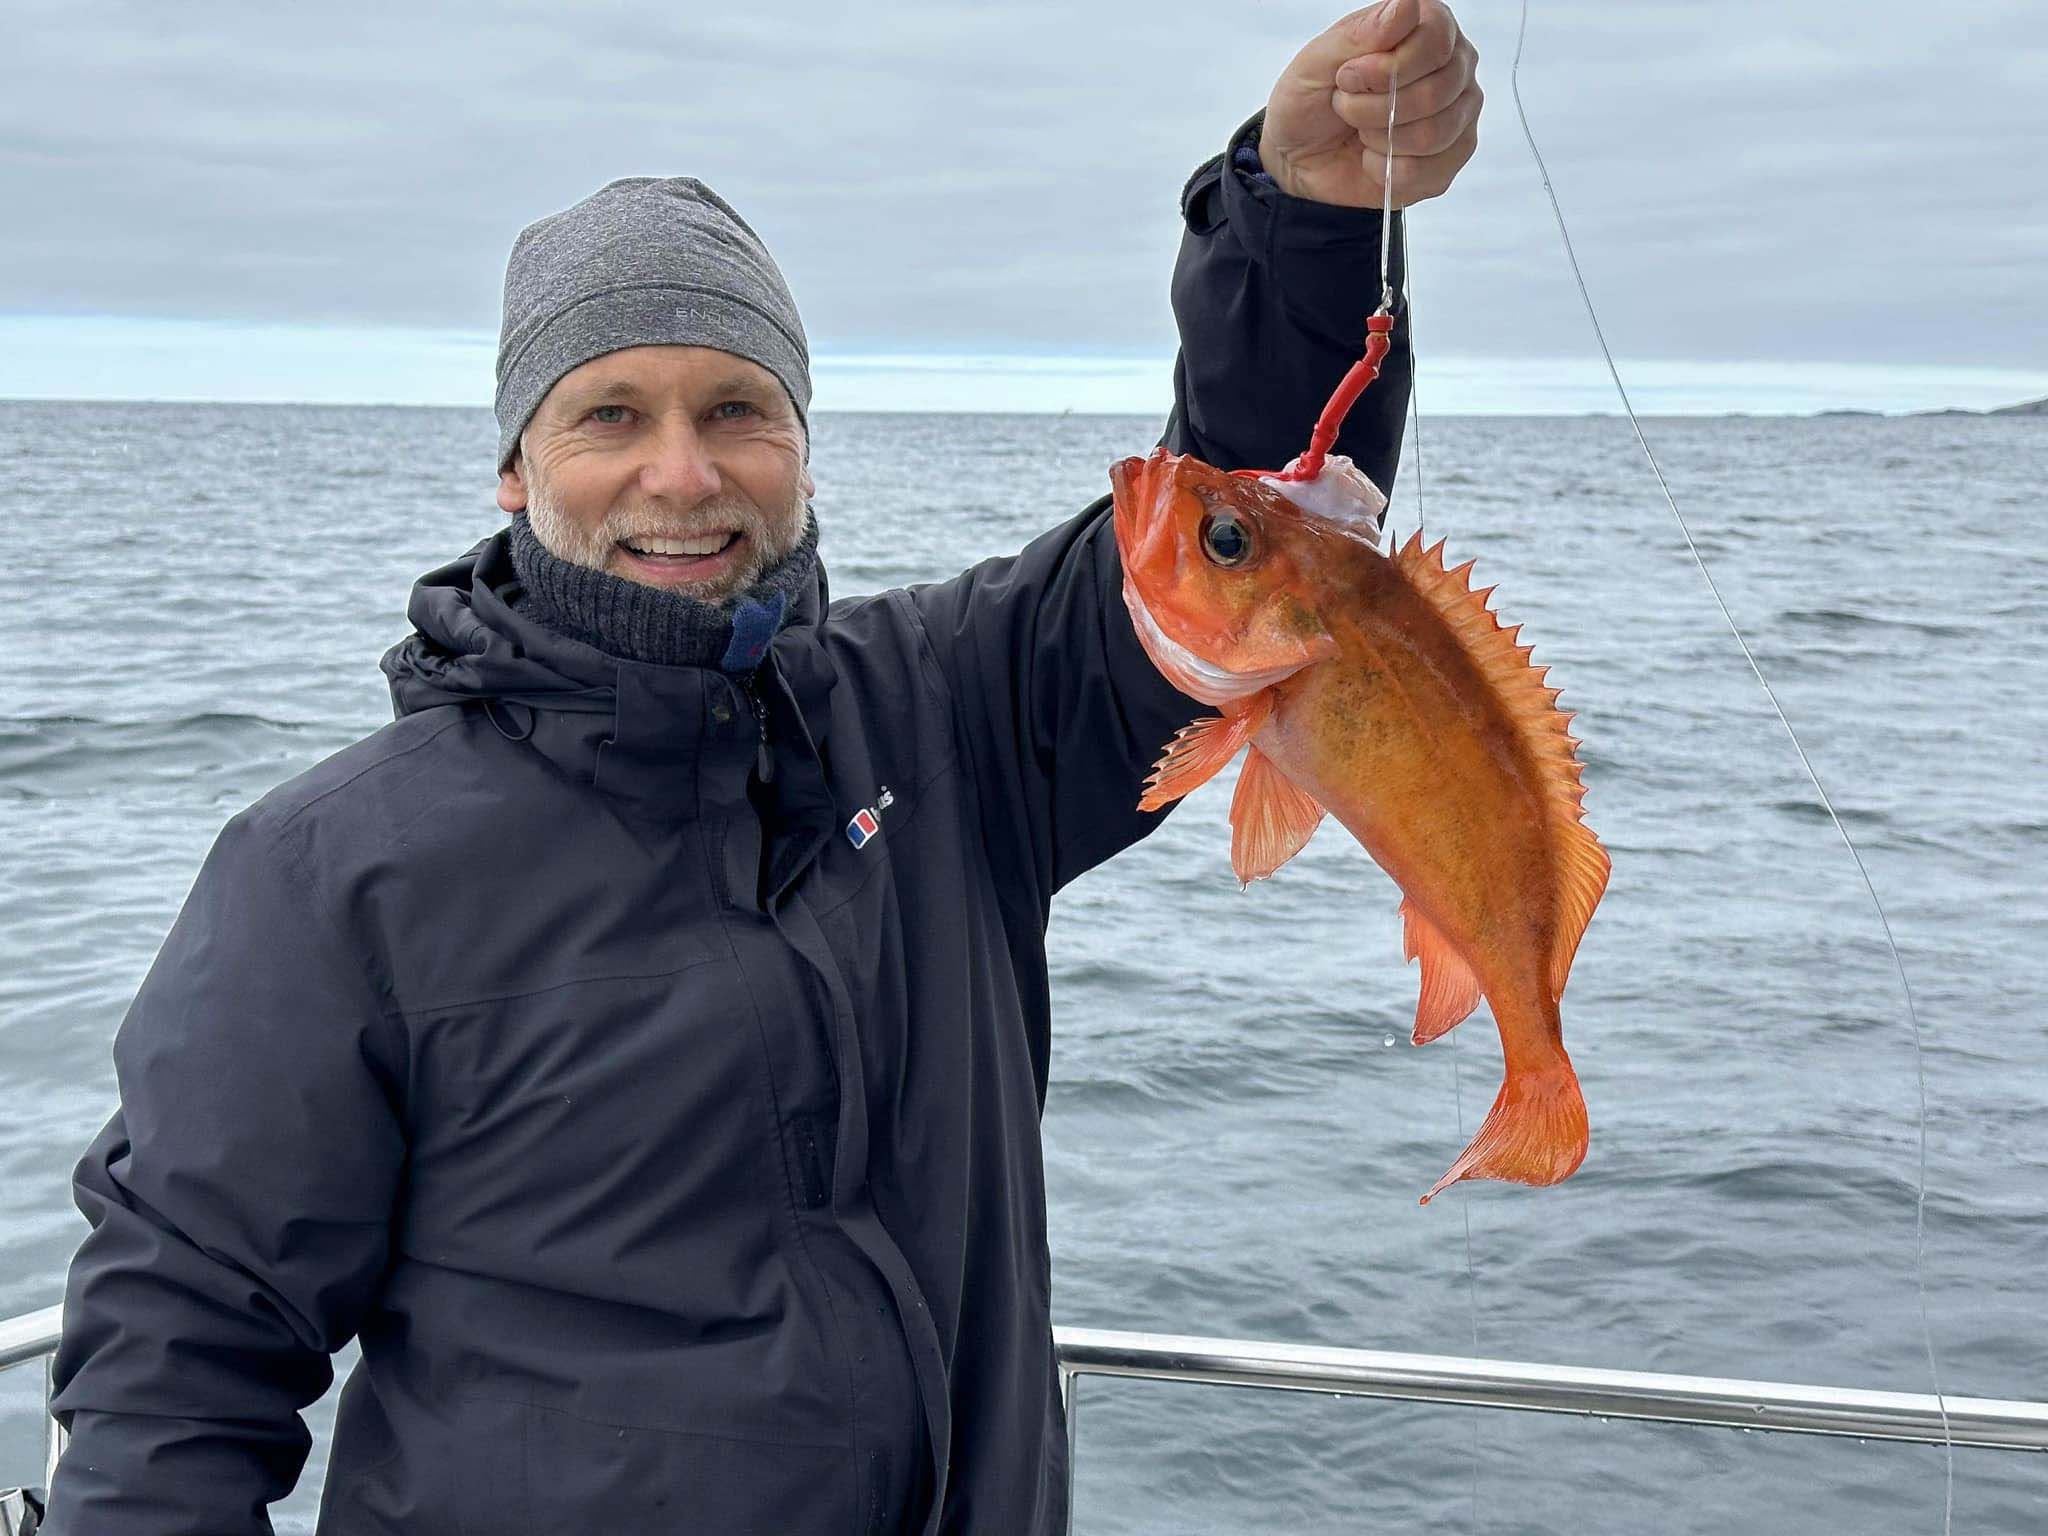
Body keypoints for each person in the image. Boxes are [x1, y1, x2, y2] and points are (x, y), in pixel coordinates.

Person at [40, 3, 1480, 1532]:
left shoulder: (951, 715)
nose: (683, 473)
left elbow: (1255, 520)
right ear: (519, 467)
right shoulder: (330, 873)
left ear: (801, 443)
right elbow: (176, 1365)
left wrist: (1310, 215)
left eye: (737, 409)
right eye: (612, 415)